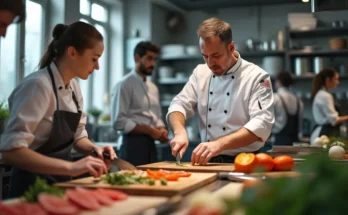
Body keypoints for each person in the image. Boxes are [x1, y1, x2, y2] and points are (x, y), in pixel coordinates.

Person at [0, 22, 117, 198]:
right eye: (94, 59)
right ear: (72, 53)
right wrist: (71, 167)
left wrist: (95, 149)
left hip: (61, 186)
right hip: (30, 190)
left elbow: (78, 136)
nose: (98, 67)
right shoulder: (38, 86)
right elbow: (11, 151)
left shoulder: (74, 88)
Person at [167, 18, 274, 165]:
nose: (210, 63)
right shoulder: (200, 73)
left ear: (230, 48)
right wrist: (179, 132)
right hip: (208, 162)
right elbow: (179, 104)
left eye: (216, 56)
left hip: (245, 162)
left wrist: (219, 144)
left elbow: (262, 123)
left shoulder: (257, 77)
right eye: (205, 56)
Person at [110, 41, 169, 166]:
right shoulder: (124, 85)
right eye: (149, 58)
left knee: (152, 182)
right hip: (132, 145)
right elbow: (118, 121)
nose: (153, 64)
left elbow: (157, 117)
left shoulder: (153, 88)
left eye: (154, 59)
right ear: (137, 58)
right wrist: (148, 130)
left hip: (151, 145)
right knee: (132, 183)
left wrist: (161, 129)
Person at [310, 68, 348, 144]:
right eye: (336, 79)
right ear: (328, 80)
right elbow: (334, 120)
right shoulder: (325, 96)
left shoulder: (321, 94)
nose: (338, 82)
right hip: (324, 134)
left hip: (321, 133)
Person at [272, 72, 303, 145]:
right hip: (295, 141)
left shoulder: (275, 98)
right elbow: (300, 123)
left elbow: (269, 119)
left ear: (278, 82)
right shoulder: (298, 100)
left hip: (279, 139)